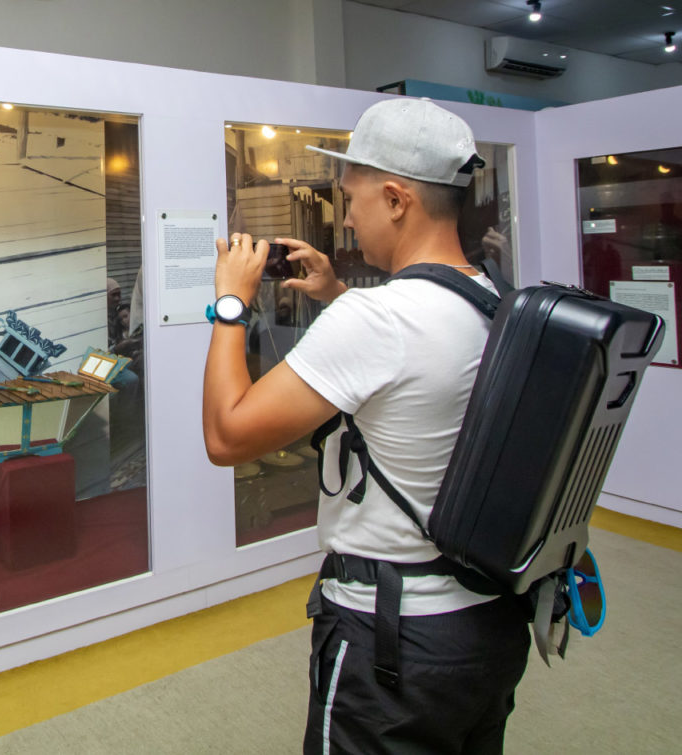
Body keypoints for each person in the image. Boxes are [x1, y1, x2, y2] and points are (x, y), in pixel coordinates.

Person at [202, 99, 529, 754]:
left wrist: (230, 302)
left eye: (351, 198)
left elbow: (227, 436)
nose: (345, 216)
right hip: (486, 625)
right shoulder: (495, 298)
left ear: (396, 198)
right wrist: (334, 296)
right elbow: (415, 366)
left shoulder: (379, 319)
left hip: (393, 641)